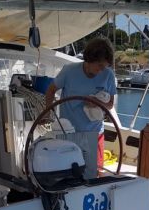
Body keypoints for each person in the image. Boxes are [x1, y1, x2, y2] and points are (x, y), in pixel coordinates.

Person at [45, 37, 116, 169]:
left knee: (94, 174)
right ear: (89, 59)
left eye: (104, 67)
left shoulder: (108, 75)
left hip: (95, 134)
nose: (102, 71)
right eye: (99, 66)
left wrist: (97, 102)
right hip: (68, 133)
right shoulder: (69, 71)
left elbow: (110, 105)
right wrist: (47, 114)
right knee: (67, 173)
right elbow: (50, 91)